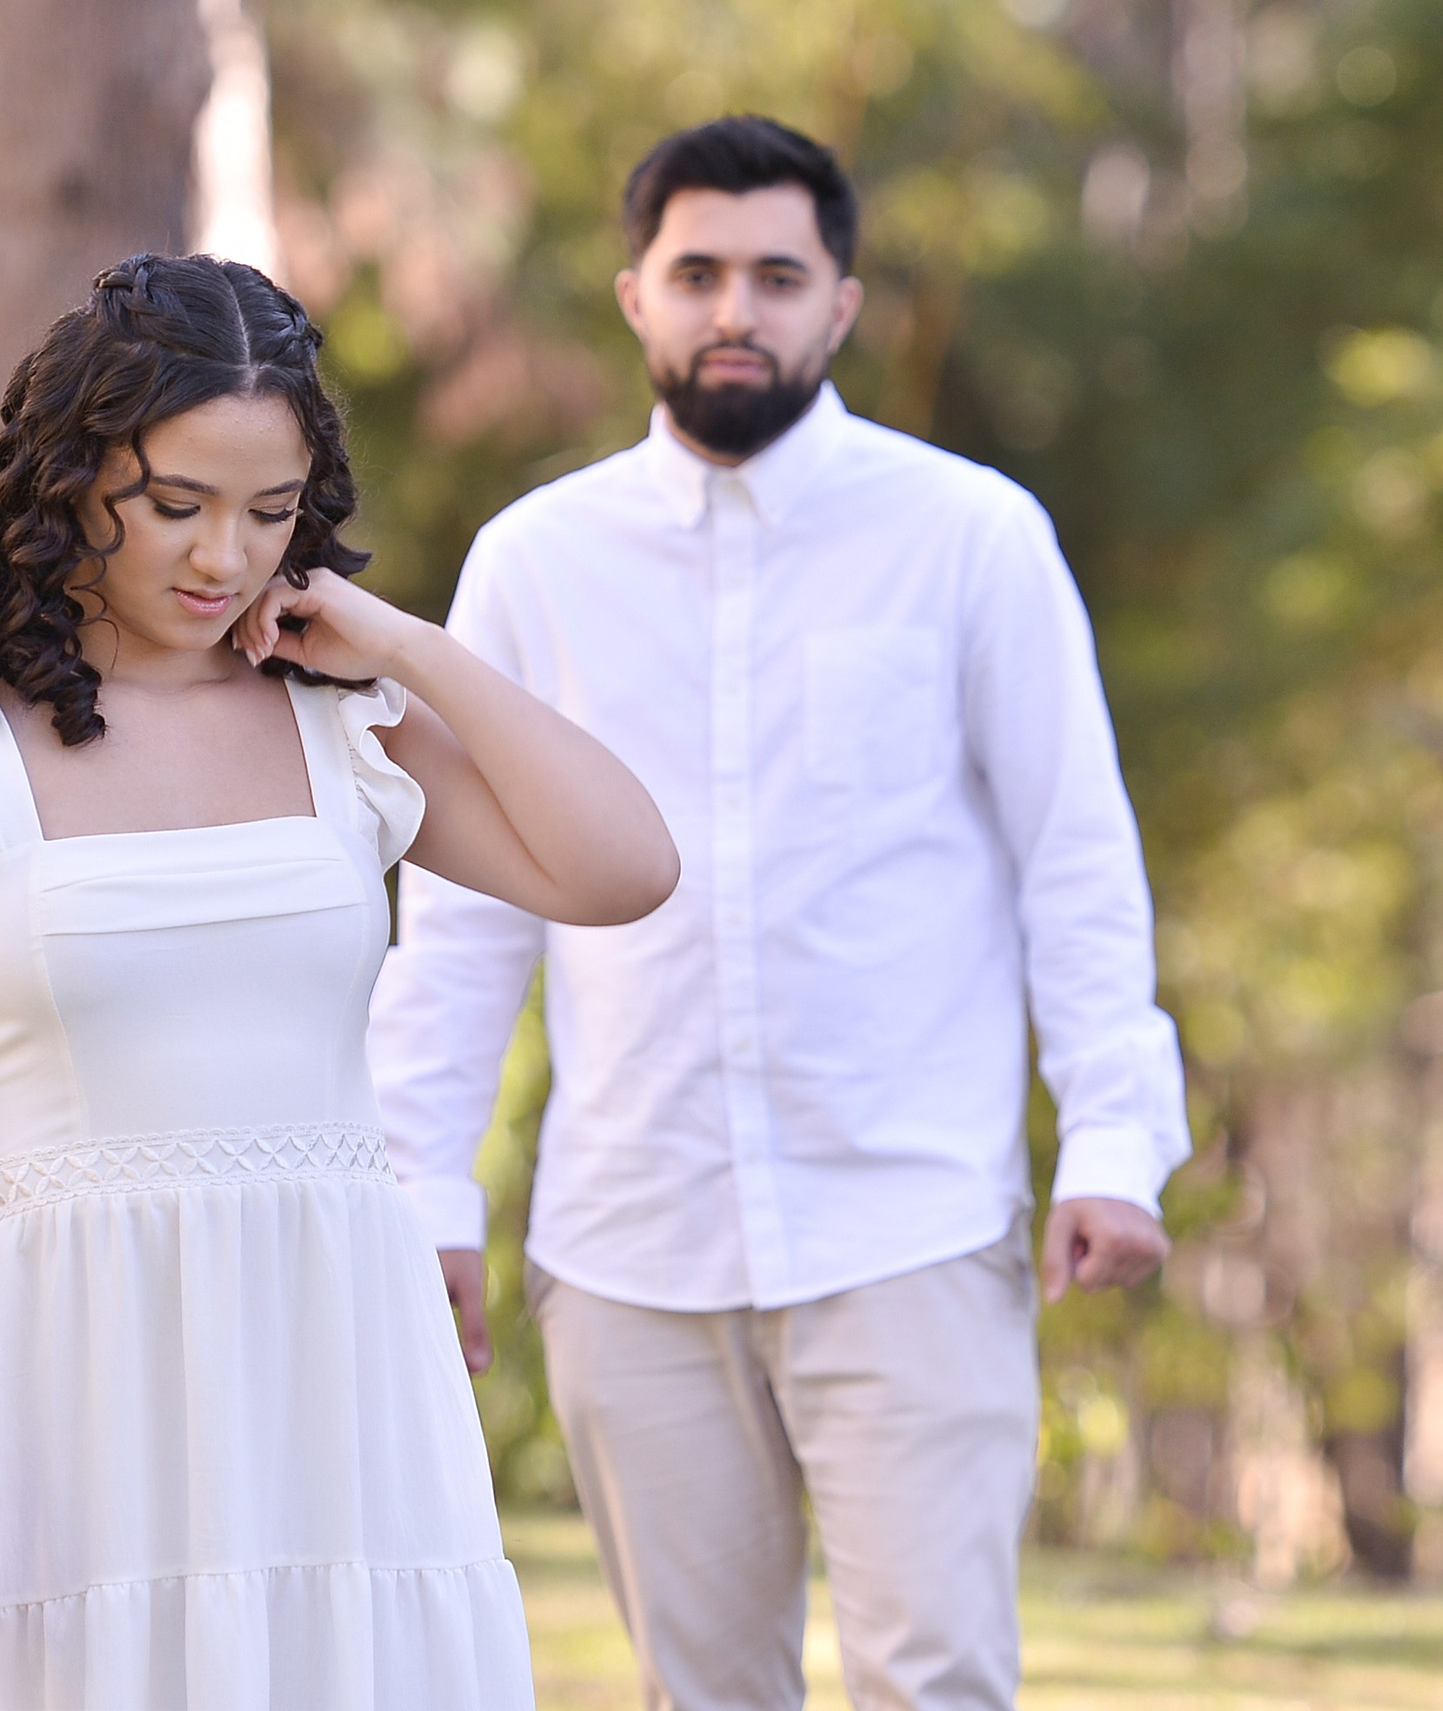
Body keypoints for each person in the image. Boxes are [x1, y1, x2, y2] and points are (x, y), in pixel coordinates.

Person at [369, 117, 1193, 1710]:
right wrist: (426, 1188)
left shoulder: (971, 538)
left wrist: (1113, 1139)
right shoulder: (536, 561)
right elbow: (464, 919)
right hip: (631, 1239)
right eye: (698, 274)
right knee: (703, 1692)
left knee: (935, 1677)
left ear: (840, 306)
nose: (732, 308)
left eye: (774, 275)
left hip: (910, 1223)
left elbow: (1075, 862)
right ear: (634, 299)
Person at [0, 252, 678, 1709]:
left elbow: (625, 866)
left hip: (338, 1361)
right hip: (65, 1379)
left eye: (269, 516)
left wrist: (406, 646)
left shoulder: (342, 719)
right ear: (76, 477)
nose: (224, 559)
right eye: (176, 507)